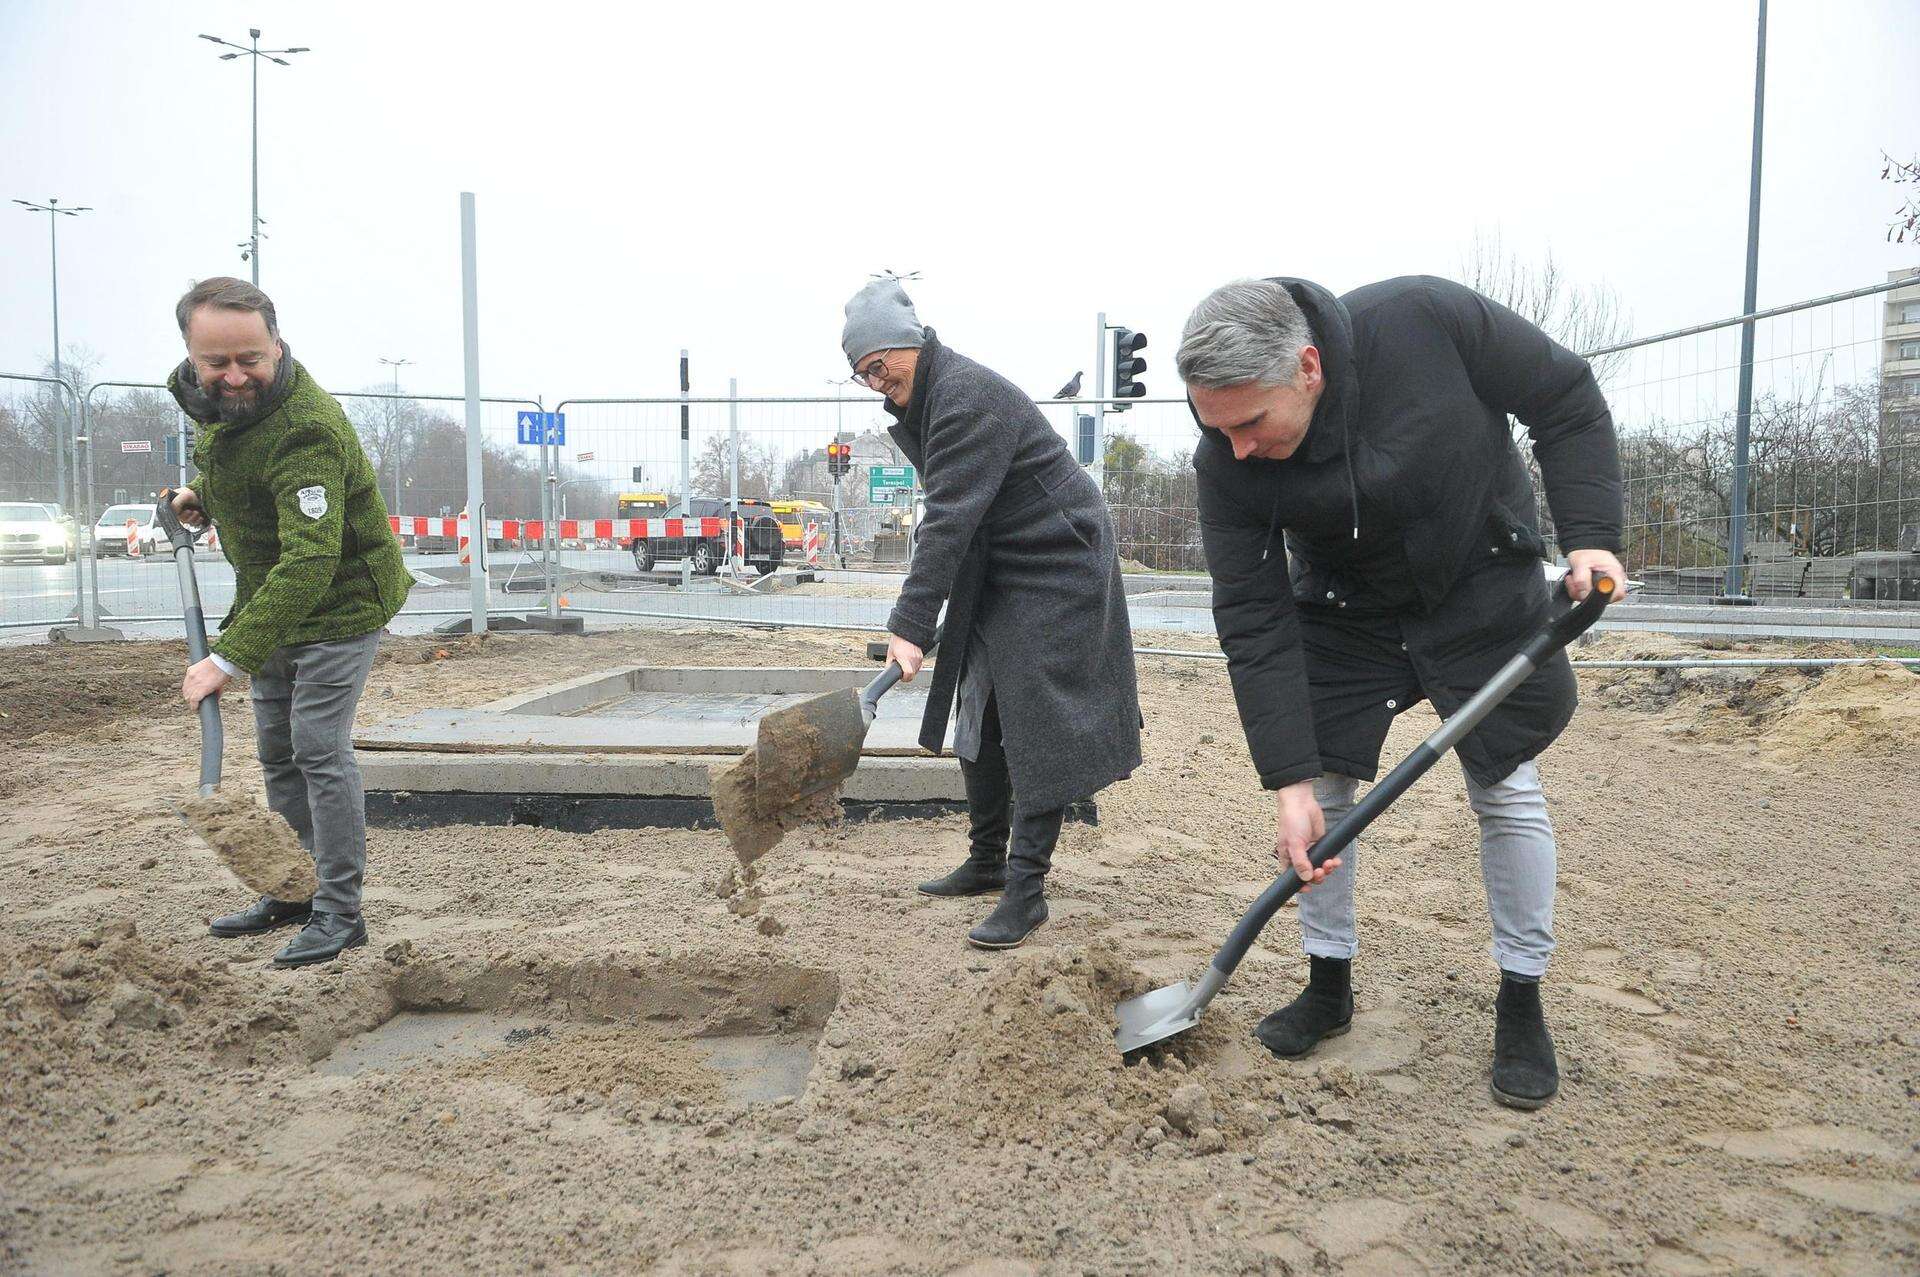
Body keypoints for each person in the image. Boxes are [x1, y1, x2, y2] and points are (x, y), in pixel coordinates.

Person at [1179, 275, 1626, 1109]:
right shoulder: (1227, 461)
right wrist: (1287, 777)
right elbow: (1251, 612)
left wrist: (1593, 539)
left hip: (1480, 581)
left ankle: (1521, 997)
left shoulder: (1427, 321)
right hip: (1344, 608)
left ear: (1307, 367)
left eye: (1249, 422)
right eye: (1215, 426)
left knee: (1506, 784)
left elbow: (1565, 396)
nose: (1234, 447)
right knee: (1323, 795)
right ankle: (1328, 983)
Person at [842, 279, 1142, 949]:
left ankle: (1026, 889)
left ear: (904, 342)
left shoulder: (965, 397)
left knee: (1038, 719)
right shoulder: (933, 394)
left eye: (875, 364)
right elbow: (954, 516)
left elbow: (946, 520)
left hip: (1061, 557)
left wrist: (910, 626)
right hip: (1006, 559)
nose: (872, 381)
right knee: (977, 704)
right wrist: (919, 625)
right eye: (861, 374)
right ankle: (985, 859)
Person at [166, 277, 413, 968]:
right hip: (274, 602)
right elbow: (239, 463)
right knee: (277, 750)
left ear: (275, 344)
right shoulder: (216, 404)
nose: (236, 375)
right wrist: (203, 496)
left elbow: (310, 561)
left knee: (318, 749)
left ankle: (339, 910)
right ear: (192, 355)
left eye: (251, 358)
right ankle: (294, 887)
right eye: (218, 363)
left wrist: (226, 657)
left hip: (339, 603)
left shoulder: (305, 426)